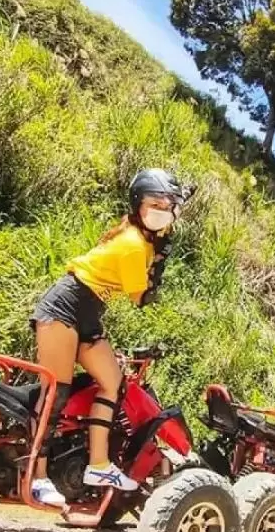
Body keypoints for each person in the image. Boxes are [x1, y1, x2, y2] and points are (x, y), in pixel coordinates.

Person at [27, 168, 187, 505]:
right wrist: (160, 264)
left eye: (167, 204)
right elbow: (141, 298)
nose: (161, 209)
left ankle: (98, 465)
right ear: (137, 205)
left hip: (89, 311)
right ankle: (37, 476)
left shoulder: (141, 239)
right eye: (153, 203)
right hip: (65, 306)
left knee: (112, 381)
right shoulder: (133, 245)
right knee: (56, 392)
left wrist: (159, 251)